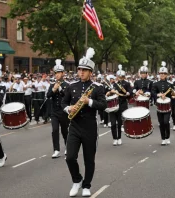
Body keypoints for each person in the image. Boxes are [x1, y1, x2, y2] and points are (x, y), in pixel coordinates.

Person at [62, 48, 107, 197]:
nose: (81, 72)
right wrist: (69, 108)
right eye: (79, 69)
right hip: (74, 125)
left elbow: (103, 105)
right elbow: (63, 103)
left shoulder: (97, 88)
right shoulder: (71, 86)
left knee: (89, 159)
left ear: (90, 72)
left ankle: (87, 185)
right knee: (70, 157)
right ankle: (77, 180)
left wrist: (89, 101)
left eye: (84, 70)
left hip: (89, 127)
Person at [47, 59, 70, 158]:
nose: (57, 75)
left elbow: (67, 97)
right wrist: (53, 89)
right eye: (55, 73)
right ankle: (56, 149)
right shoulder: (52, 85)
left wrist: (60, 89)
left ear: (63, 73)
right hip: (54, 111)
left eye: (59, 73)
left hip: (63, 111)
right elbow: (48, 95)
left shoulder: (67, 85)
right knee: (55, 130)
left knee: (65, 130)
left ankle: (68, 147)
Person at [106, 64, 132, 146]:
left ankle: (119, 138)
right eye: (118, 76)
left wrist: (127, 93)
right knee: (113, 123)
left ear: (123, 76)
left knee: (120, 122)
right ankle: (114, 138)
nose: (119, 78)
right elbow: (108, 94)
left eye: (121, 76)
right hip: (113, 105)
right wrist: (111, 92)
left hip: (121, 104)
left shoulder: (127, 84)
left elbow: (130, 92)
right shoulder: (114, 84)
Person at [152, 61, 175, 145]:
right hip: (159, 106)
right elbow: (153, 93)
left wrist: (173, 94)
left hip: (167, 106)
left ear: (166, 75)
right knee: (161, 123)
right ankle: (163, 138)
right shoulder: (155, 84)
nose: (162, 75)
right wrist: (158, 95)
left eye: (164, 74)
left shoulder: (170, 84)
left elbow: (174, 94)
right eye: (161, 73)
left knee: (166, 122)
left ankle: (167, 137)